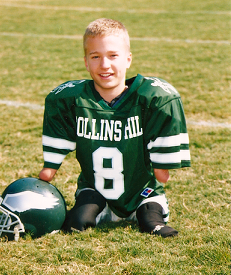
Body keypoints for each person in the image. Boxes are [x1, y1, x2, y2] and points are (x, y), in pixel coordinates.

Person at [39, 18, 190, 238]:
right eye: (95, 57)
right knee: (78, 221)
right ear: (86, 62)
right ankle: (93, 208)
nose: (104, 65)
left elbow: (162, 174)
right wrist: (49, 168)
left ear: (128, 59)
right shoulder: (71, 99)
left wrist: (162, 166)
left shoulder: (152, 98)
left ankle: (150, 214)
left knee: (150, 219)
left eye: (113, 55)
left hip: (142, 192)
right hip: (94, 189)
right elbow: (49, 166)